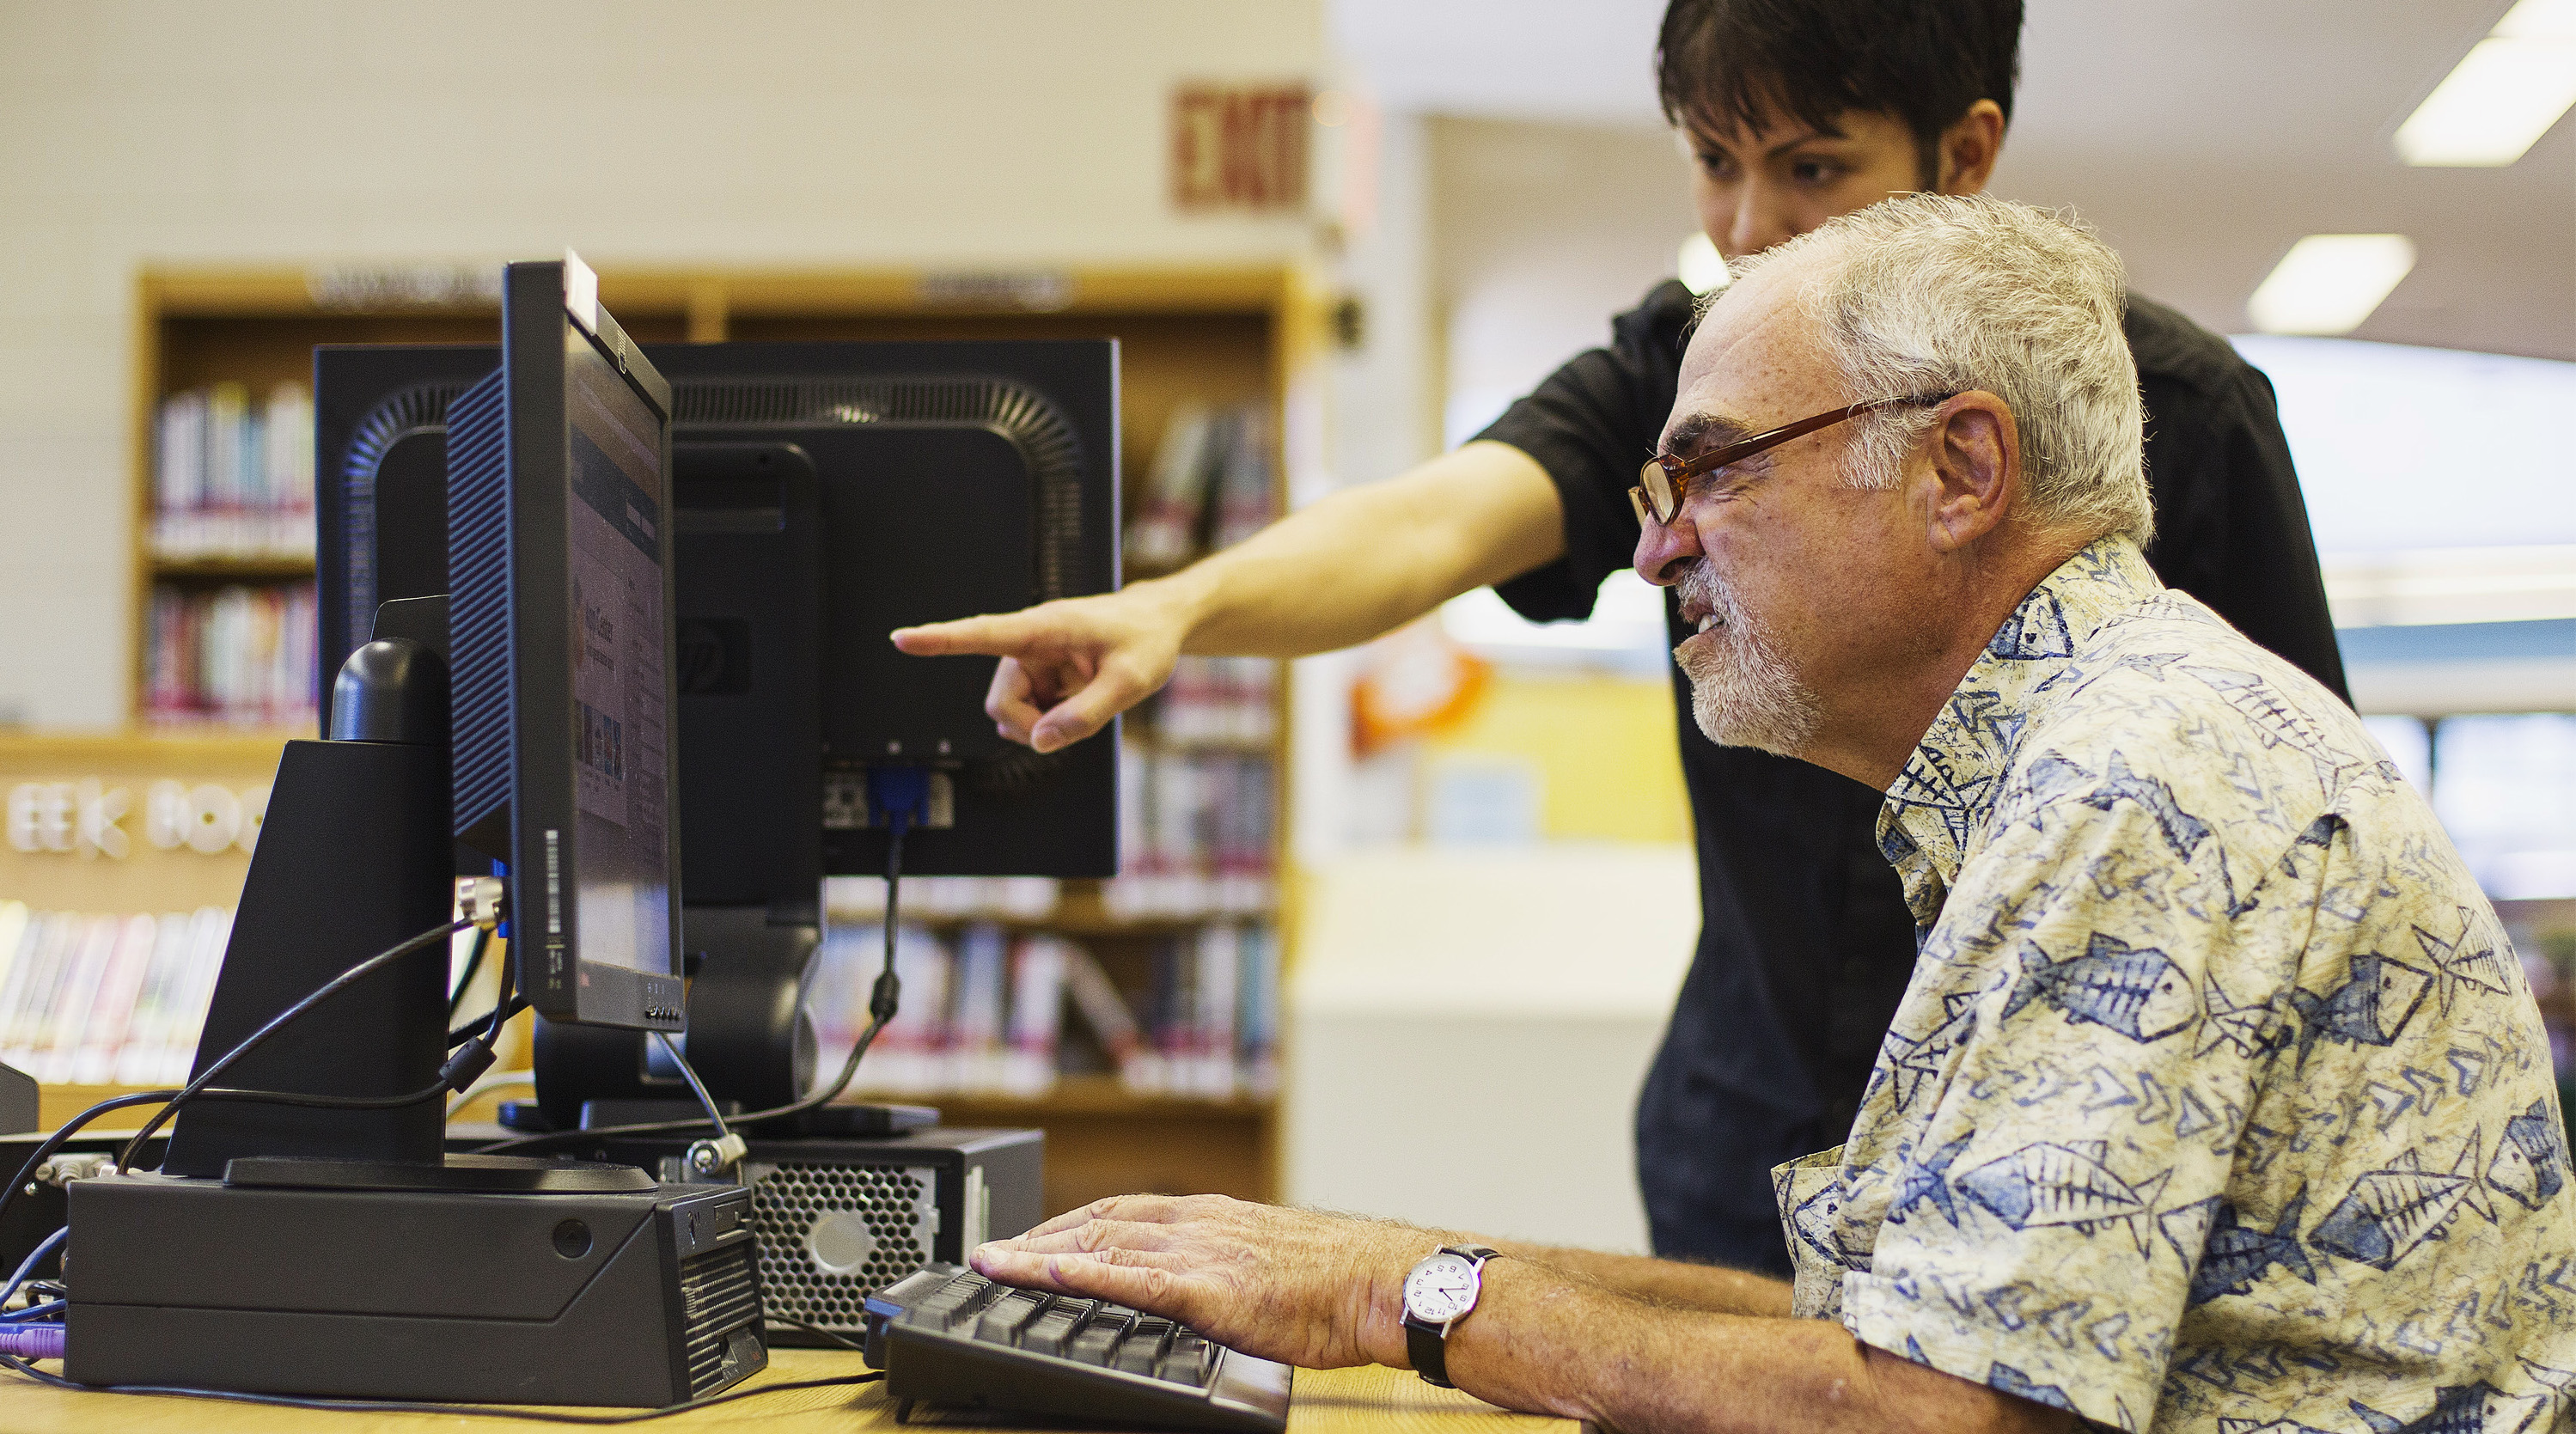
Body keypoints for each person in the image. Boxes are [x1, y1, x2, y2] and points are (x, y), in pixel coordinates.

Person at [968, 195, 2576, 1434]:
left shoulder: (2141, 777)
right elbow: (1882, 1332)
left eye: (1713, 470)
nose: (1656, 553)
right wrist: (1354, 1256)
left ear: (1959, 468)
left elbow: (1940, 1415)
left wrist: (1398, 1294)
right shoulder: (2080, 750)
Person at [893, 0, 2350, 1276]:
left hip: (2070, 1141)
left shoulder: (2177, 415)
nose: (1748, 225)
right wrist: (1179, 607)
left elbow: (2301, 823)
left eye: (1812, 168)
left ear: (1961, 155)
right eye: (1715, 162)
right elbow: (1434, 523)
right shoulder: (1685, 362)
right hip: (1751, 1133)